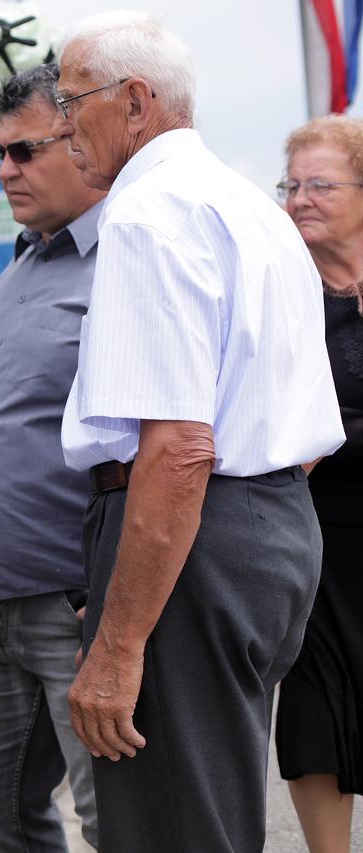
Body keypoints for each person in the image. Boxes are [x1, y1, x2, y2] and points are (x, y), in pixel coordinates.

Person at [53, 12, 345, 851]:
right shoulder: (250, 207)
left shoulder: (152, 213)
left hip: (194, 538)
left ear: (136, 102)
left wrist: (117, 644)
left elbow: (179, 446)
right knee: (206, 812)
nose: (64, 122)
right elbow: (302, 421)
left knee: (175, 828)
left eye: (74, 101)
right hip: (268, 525)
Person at [0, 63, 105, 852]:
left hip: (71, 598)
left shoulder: (125, 262)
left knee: (114, 811)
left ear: (82, 142)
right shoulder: (26, 260)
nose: (7, 170)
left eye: (26, 150)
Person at [274, 115, 363, 853]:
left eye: (321, 184)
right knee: (311, 708)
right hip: (310, 531)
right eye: (292, 184)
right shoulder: (280, 285)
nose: (300, 198)